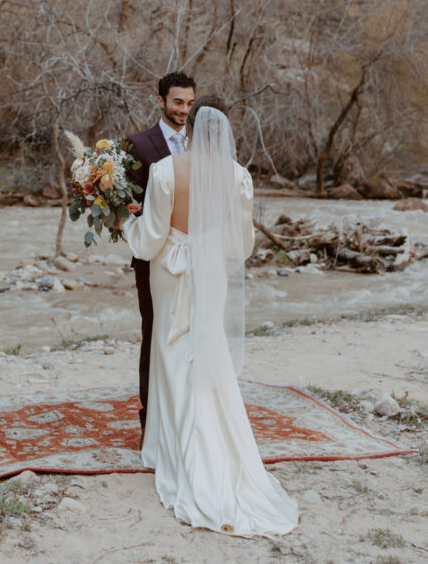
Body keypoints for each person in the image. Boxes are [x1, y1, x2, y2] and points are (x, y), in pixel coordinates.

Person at [121, 102, 298, 536]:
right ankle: (217, 442)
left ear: (191, 129)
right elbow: (241, 248)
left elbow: (149, 242)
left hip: (171, 271)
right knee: (208, 351)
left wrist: (125, 222)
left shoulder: (165, 171)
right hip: (212, 272)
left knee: (170, 350)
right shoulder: (238, 176)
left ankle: (167, 451)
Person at [125, 72, 197, 434]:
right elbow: (128, 205)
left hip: (197, 258)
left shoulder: (206, 141)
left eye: (189, 103)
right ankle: (150, 422)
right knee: (154, 334)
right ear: (160, 101)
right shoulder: (139, 145)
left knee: (194, 336)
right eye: (177, 102)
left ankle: (188, 418)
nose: (184, 110)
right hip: (154, 259)